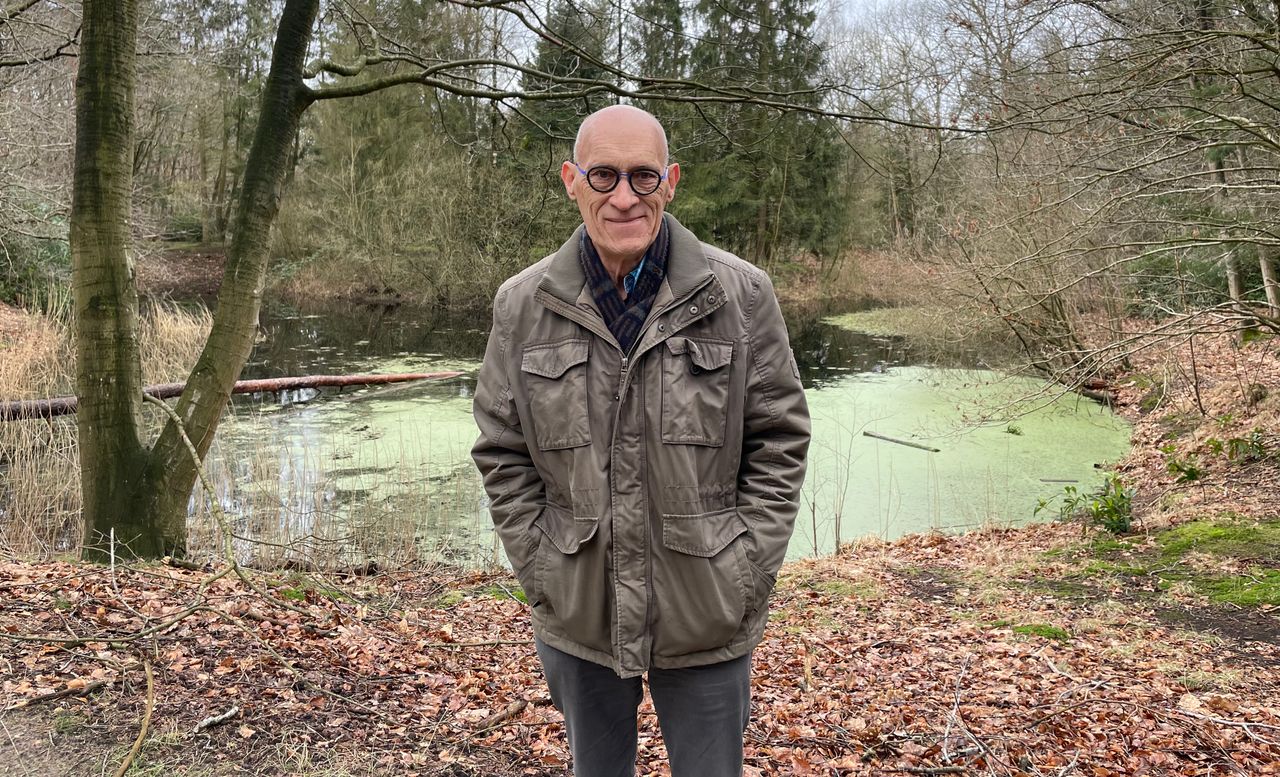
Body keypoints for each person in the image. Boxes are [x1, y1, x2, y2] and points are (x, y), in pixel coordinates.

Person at [471, 104, 810, 777]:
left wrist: (746, 567)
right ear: (571, 180)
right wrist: (541, 566)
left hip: (707, 609)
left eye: (642, 176)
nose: (623, 196)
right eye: (603, 175)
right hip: (580, 612)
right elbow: (501, 448)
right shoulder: (522, 305)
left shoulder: (740, 295)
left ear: (671, 181)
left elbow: (779, 437)